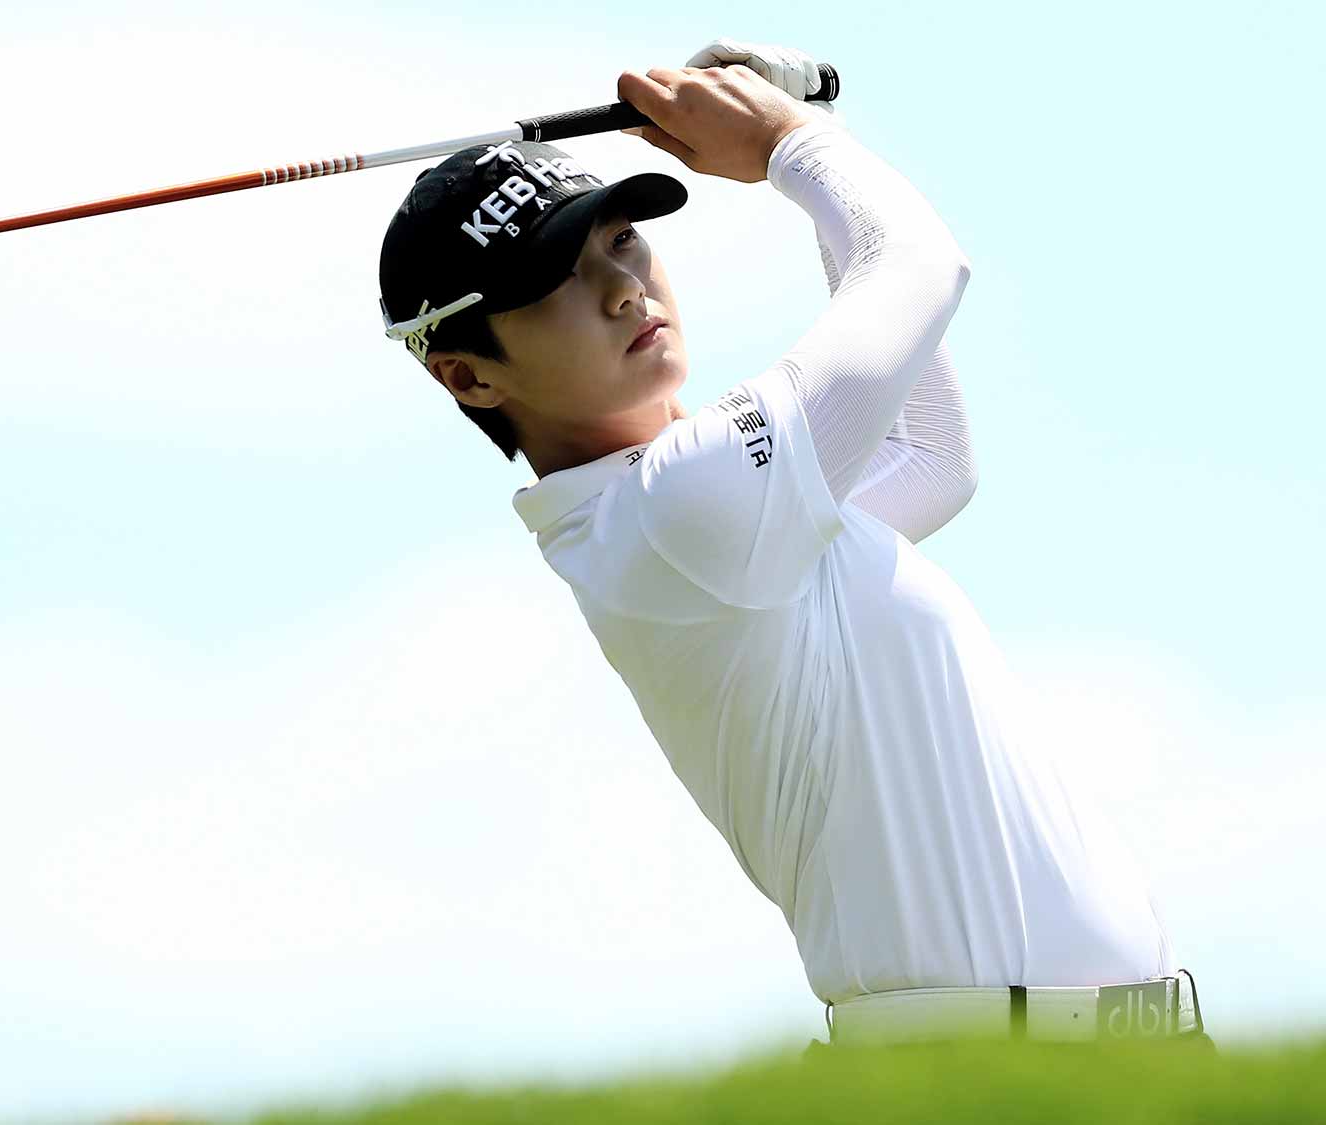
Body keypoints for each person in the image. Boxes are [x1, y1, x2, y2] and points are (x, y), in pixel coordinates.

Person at [375, 40, 1204, 1046]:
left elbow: (929, 456)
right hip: (974, 1078)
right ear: (467, 376)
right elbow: (919, 264)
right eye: (555, 277)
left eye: (622, 241)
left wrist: (812, 145)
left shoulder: (681, 517)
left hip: (1108, 1062)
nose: (623, 288)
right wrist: (787, 142)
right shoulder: (682, 505)